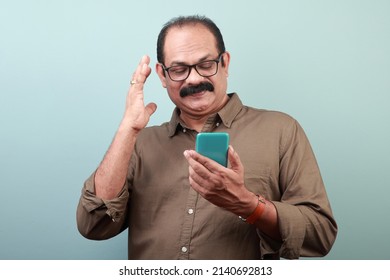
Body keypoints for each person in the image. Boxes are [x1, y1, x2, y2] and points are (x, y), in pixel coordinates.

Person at [76, 15, 337, 260]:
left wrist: (249, 206)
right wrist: (127, 130)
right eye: (179, 69)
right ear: (162, 75)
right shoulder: (140, 143)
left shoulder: (281, 130)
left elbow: (320, 234)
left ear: (225, 63)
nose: (195, 78)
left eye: (206, 65)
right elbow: (93, 224)